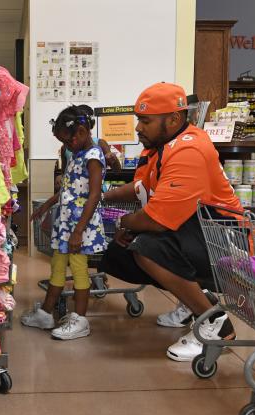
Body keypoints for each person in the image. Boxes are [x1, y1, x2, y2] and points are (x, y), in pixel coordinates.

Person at [99, 82, 243, 362]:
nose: (138, 127)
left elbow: (156, 220)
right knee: (120, 254)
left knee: (147, 248)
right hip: (199, 232)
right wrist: (108, 196)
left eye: (145, 121)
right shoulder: (158, 147)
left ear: (174, 119)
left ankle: (215, 324)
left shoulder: (189, 150)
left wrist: (124, 224)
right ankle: (196, 298)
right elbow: (142, 185)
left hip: (225, 240)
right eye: (138, 119)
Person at [22, 105, 107, 340]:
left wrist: (79, 231)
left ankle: (80, 320)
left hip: (80, 227)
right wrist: (47, 206)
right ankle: (46, 314)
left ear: (81, 132)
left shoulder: (93, 157)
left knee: (79, 270)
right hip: (65, 225)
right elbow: (69, 190)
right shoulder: (76, 155)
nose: (66, 145)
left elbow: (93, 195)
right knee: (57, 268)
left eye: (68, 141)